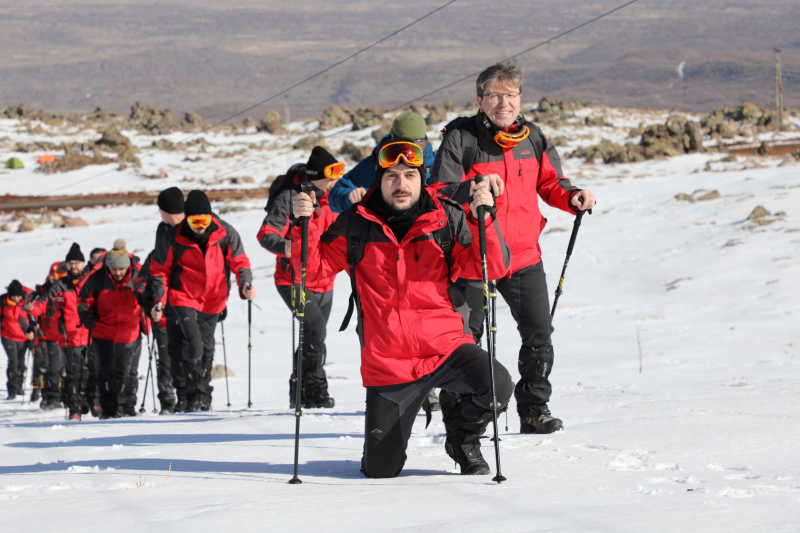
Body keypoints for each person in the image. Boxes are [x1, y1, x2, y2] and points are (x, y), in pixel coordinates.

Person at [291, 138, 513, 477]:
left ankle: (463, 439)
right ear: (378, 181)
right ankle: (383, 449)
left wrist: (483, 220)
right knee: (381, 471)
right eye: (391, 175)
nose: (401, 184)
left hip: (447, 348)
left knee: (497, 384)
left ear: (421, 178)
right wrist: (300, 227)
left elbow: (490, 268)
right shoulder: (356, 224)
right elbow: (311, 271)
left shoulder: (446, 218)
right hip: (390, 363)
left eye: (410, 174)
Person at [429, 59, 597, 435]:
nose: (502, 102)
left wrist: (572, 198)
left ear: (521, 98)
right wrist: (472, 187)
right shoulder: (461, 137)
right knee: (465, 341)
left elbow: (552, 183)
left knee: (539, 335)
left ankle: (534, 409)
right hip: (476, 255)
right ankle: (464, 422)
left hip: (523, 257)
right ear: (479, 99)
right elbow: (437, 193)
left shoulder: (532, 138)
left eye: (509, 95)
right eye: (493, 95)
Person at [149, 190, 256, 412]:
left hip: (213, 299)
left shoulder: (225, 232)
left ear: (211, 217)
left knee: (207, 348)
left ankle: (202, 393)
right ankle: (190, 391)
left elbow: (240, 261)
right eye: (194, 221)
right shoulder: (173, 237)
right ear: (186, 218)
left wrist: (245, 285)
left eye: (204, 220)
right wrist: (159, 299)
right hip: (184, 297)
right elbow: (160, 271)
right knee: (194, 344)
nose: (200, 226)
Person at [257, 146, 341, 408]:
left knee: (313, 336)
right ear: (316, 175)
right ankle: (315, 391)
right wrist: (289, 248)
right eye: (331, 173)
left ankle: (300, 390)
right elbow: (265, 233)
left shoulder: (331, 198)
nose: (335, 179)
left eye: (339, 172)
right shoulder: (291, 198)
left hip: (326, 280)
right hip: (294, 280)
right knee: (315, 330)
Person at [78, 240, 145, 419]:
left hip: (129, 332)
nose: (117, 273)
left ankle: (123, 407)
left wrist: (149, 302)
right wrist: (86, 316)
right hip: (103, 331)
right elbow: (84, 300)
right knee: (105, 371)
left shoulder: (138, 276)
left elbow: (149, 292)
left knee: (123, 372)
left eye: (121, 269)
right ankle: (109, 410)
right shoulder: (97, 278)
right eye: (114, 269)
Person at [328, 112, 435, 214]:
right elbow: (334, 197)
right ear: (394, 140)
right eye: (404, 146)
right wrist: (350, 197)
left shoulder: (436, 163)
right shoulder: (376, 163)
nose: (410, 153)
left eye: (420, 145)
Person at [144, 186, 187, 414]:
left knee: (190, 353)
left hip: (189, 304)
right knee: (169, 358)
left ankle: (189, 396)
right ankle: (171, 400)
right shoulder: (163, 234)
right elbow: (148, 274)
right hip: (164, 312)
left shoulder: (191, 231)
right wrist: (147, 299)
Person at [48, 243, 95, 420]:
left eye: (77, 262)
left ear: (83, 264)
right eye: (70, 263)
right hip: (70, 337)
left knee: (93, 371)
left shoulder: (91, 280)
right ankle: (74, 407)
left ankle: (93, 401)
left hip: (91, 334)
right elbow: (49, 309)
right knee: (74, 374)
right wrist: (55, 304)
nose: (73, 266)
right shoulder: (60, 285)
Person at [1, 280, 41, 400]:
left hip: (24, 336)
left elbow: (33, 318)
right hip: (7, 335)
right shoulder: (2, 301)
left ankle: (19, 386)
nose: (16, 298)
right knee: (13, 362)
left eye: (19, 296)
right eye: (14, 296)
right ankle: (12, 390)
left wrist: (33, 328)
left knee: (21, 362)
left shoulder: (27, 302)